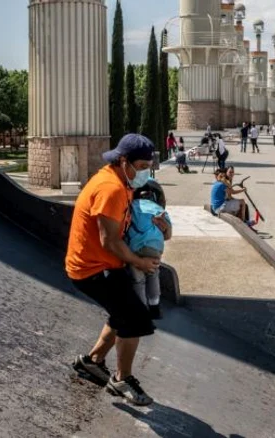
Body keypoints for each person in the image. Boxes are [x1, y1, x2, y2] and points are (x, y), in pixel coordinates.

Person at [69, 133, 170, 406]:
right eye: (141, 167)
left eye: (149, 166)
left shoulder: (122, 181)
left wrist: (159, 228)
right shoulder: (111, 188)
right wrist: (140, 262)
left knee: (122, 312)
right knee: (135, 319)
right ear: (123, 161)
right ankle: (121, 379)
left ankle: (91, 362)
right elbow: (109, 241)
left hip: (104, 263)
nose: (145, 172)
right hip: (93, 268)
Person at [127, 179, 172, 321]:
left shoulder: (131, 205)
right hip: (154, 247)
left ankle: (142, 310)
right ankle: (155, 306)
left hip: (134, 247)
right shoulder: (159, 210)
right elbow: (167, 235)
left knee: (138, 280)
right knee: (153, 274)